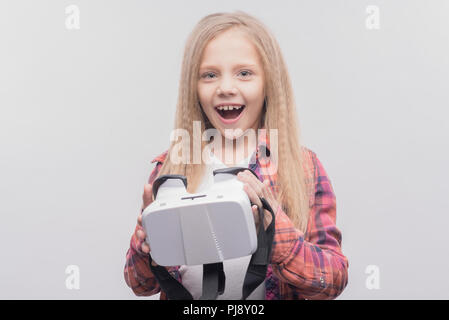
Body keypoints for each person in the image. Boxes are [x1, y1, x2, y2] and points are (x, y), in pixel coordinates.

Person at [124, 11, 348, 300]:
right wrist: (145, 244)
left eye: (244, 73)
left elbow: (333, 280)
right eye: (209, 75)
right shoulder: (169, 170)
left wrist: (278, 238)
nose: (226, 88)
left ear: (268, 83)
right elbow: (140, 285)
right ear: (193, 87)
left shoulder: (302, 167)